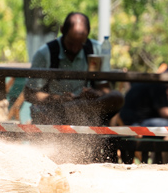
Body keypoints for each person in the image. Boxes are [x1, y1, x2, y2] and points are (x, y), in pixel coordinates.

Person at [24, 12, 124, 162]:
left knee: (117, 97)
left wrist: (95, 93)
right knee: (64, 110)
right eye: (71, 43)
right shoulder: (46, 54)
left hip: (85, 108)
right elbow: (29, 94)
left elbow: (105, 89)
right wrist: (58, 98)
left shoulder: (96, 50)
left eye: (80, 44)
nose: (76, 48)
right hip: (55, 110)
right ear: (62, 30)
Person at [117, 61, 168, 126]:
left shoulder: (151, 82)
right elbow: (165, 113)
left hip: (127, 120)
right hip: (136, 123)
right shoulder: (159, 85)